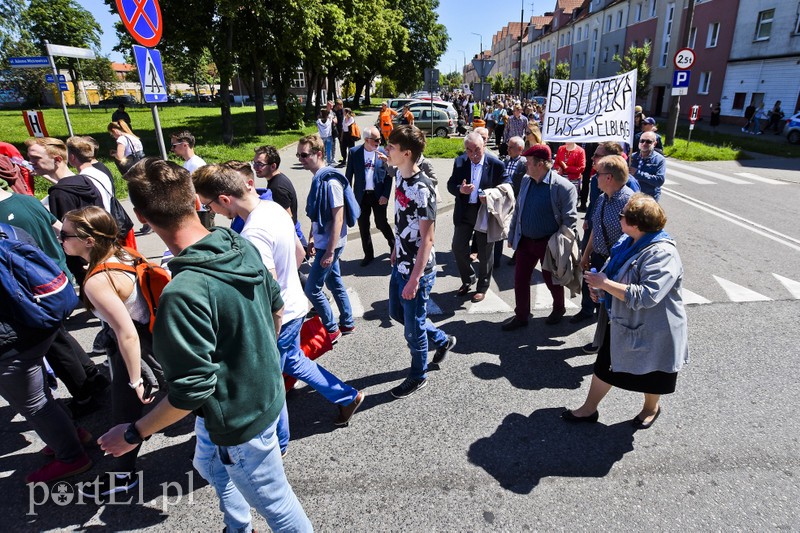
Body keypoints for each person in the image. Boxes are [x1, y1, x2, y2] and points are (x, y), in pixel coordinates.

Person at [97, 158, 312, 532]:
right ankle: (238, 525)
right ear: (196, 201)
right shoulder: (236, 243)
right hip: (257, 397)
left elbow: (189, 392)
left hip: (240, 424)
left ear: (141, 217)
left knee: (281, 511)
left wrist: (133, 434)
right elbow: (276, 307)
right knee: (208, 465)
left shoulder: (183, 293)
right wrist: (254, 359)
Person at [193, 163, 364, 443]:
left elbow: (269, 293)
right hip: (294, 305)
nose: (211, 211)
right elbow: (297, 254)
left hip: (279, 316)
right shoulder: (272, 208)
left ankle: (280, 441)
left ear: (224, 199)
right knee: (291, 362)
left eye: (209, 204)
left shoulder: (252, 235)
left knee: (272, 378)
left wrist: (268, 331)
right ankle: (346, 396)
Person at [563, 193, 688, 429]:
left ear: (635, 223)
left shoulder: (661, 253)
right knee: (605, 365)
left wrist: (604, 285)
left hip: (654, 328)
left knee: (654, 373)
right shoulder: (626, 241)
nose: (619, 218)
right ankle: (589, 409)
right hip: (622, 319)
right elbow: (613, 274)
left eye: (622, 215)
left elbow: (648, 296)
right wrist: (600, 291)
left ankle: (651, 409)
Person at [61, 207, 162, 500]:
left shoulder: (97, 279)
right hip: (155, 335)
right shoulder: (126, 254)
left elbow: (126, 333)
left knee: (125, 411)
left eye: (66, 235)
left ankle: (123, 476)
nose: (61, 240)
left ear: (89, 240)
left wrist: (134, 379)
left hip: (133, 347)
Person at [0, 223, 93, 484]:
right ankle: (72, 434)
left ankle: (72, 456)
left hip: (11, 341)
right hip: (40, 321)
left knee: (33, 403)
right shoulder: (7, 229)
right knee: (40, 394)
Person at [385, 125, 456, 399]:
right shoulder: (399, 178)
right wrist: (395, 247)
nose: (387, 150)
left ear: (406, 153)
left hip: (418, 271)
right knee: (397, 314)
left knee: (413, 331)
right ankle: (442, 339)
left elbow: (427, 239)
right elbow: (403, 219)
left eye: (391, 147)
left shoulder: (423, 189)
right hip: (400, 262)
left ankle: (418, 375)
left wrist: (415, 280)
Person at [503, 144, 577, 330]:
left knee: (551, 280)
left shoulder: (563, 187)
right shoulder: (527, 180)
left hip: (548, 243)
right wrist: (512, 235)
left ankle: (559, 308)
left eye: (529, 162)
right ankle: (521, 316)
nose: (525, 165)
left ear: (541, 164)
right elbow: (518, 210)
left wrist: (560, 246)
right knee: (520, 280)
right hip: (525, 241)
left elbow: (570, 220)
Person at [300, 134, 356, 343]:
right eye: (298, 154)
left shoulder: (330, 182)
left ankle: (331, 329)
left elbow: (337, 219)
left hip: (331, 245)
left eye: (304, 155)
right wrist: (312, 237)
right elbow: (318, 215)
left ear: (319, 154)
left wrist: (330, 252)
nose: (300, 158)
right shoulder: (319, 178)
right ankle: (348, 322)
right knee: (334, 282)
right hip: (325, 243)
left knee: (312, 288)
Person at [26, 137, 104, 283]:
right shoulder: (83, 181)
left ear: (57, 159)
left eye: (35, 158)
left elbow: (68, 235)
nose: (30, 162)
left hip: (83, 264)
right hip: (100, 254)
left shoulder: (60, 194)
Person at [571, 154, 635, 325]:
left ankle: (604, 345)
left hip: (616, 264)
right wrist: (586, 255)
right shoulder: (601, 198)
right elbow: (597, 229)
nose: (593, 176)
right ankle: (600, 341)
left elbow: (634, 239)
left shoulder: (629, 202)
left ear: (608, 177)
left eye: (597, 173)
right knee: (599, 303)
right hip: (598, 260)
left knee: (611, 309)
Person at [446, 132, 508, 303]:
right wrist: (460, 189)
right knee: (458, 247)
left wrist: (490, 194)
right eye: (469, 150)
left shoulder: (496, 164)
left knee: (485, 252)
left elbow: (506, 185)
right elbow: (451, 184)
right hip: (465, 212)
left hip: (484, 212)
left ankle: (482, 287)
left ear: (484, 146)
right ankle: (468, 279)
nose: (473, 154)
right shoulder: (460, 162)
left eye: (477, 150)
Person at [345, 127, 395, 267]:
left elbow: (389, 177)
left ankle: (394, 246)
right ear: (367, 140)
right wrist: (347, 196)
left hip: (378, 195)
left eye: (380, 139)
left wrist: (386, 195)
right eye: (376, 139)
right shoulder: (354, 153)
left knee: (381, 223)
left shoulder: (384, 152)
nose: (379, 142)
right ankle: (368, 254)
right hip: (361, 196)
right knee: (363, 225)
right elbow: (349, 175)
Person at [629, 131, 666, 201]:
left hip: (649, 198)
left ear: (654, 143)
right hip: (632, 196)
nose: (644, 143)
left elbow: (659, 180)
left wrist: (637, 173)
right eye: (642, 141)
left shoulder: (659, 159)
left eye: (648, 142)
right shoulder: (632, 157)